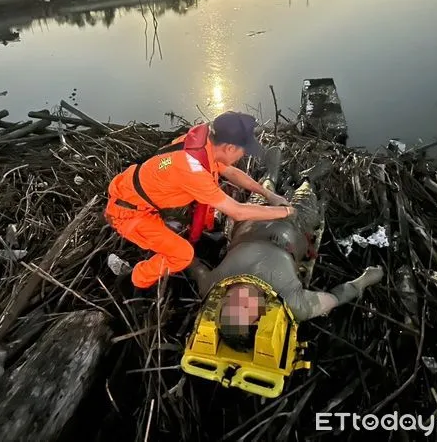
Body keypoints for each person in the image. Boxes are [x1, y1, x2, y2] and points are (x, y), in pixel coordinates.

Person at [188, 159, 385, 351]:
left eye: (230, 305)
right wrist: (363, 281)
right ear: (260, 315)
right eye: (246, 309)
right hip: (296, 227)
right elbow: (334, 298)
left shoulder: (213, 286)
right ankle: (308, 180)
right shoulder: (292, 301)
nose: (240, 297)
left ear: (221, 305)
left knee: (263, 187)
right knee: (306, 196)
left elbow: (193, 266)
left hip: (251, 217)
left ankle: (271, 176)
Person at [104, 111, 294, 292]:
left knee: (204, 218)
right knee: (182, 254)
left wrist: (269, 195)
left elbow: (231, 172)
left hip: (143, 199)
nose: (242, 157)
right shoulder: (191, 169)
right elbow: (237, 212)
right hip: (128, 212)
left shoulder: (205, 145)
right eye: (242, 152)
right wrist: (286, 212)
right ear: (229, 148)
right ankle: (133, 281)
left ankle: (195, 239)